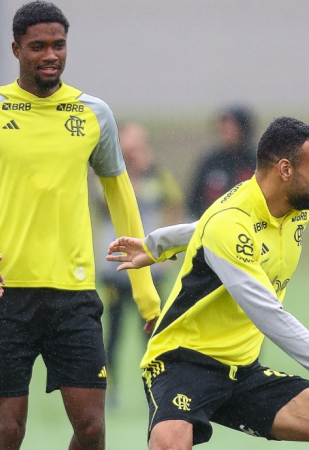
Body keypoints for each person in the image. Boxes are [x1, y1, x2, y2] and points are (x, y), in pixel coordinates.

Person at [0, 2, 161, 449]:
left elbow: (121, 194)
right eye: (38, 46)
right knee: (9, 430)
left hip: (74, 295)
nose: (50, 55)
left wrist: (145, 290)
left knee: (93, 429)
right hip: (6, 295)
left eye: (58, 45)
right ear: (17, 48)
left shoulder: (93, 113)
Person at [107, 116, 309, 449]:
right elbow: (269, 314)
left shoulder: (294, 206)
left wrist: (155, 246)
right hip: (182, 362)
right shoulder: (231, 221)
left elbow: (202, 227)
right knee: (170, 444)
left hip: (242, 370)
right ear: (285, 169)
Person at [93, 122, 183, 406]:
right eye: (128, 145)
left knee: (154, 331)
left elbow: (175, 205)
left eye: (138, 144)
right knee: (114, 332)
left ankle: (158, 386)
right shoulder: (108, 175)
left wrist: (167, 253)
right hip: (116, 268)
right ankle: (111, 390)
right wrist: (129, 174)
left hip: (151, 267)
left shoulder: (159, 176)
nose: (134, 150)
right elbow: (105, 204)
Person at [186, 105, 257, 220]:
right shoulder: (210, 162)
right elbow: (194, 201)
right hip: (213, 226)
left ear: (243, 128)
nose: (224, 131)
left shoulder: (256, 162)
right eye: (222, 127)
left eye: (230, 127)